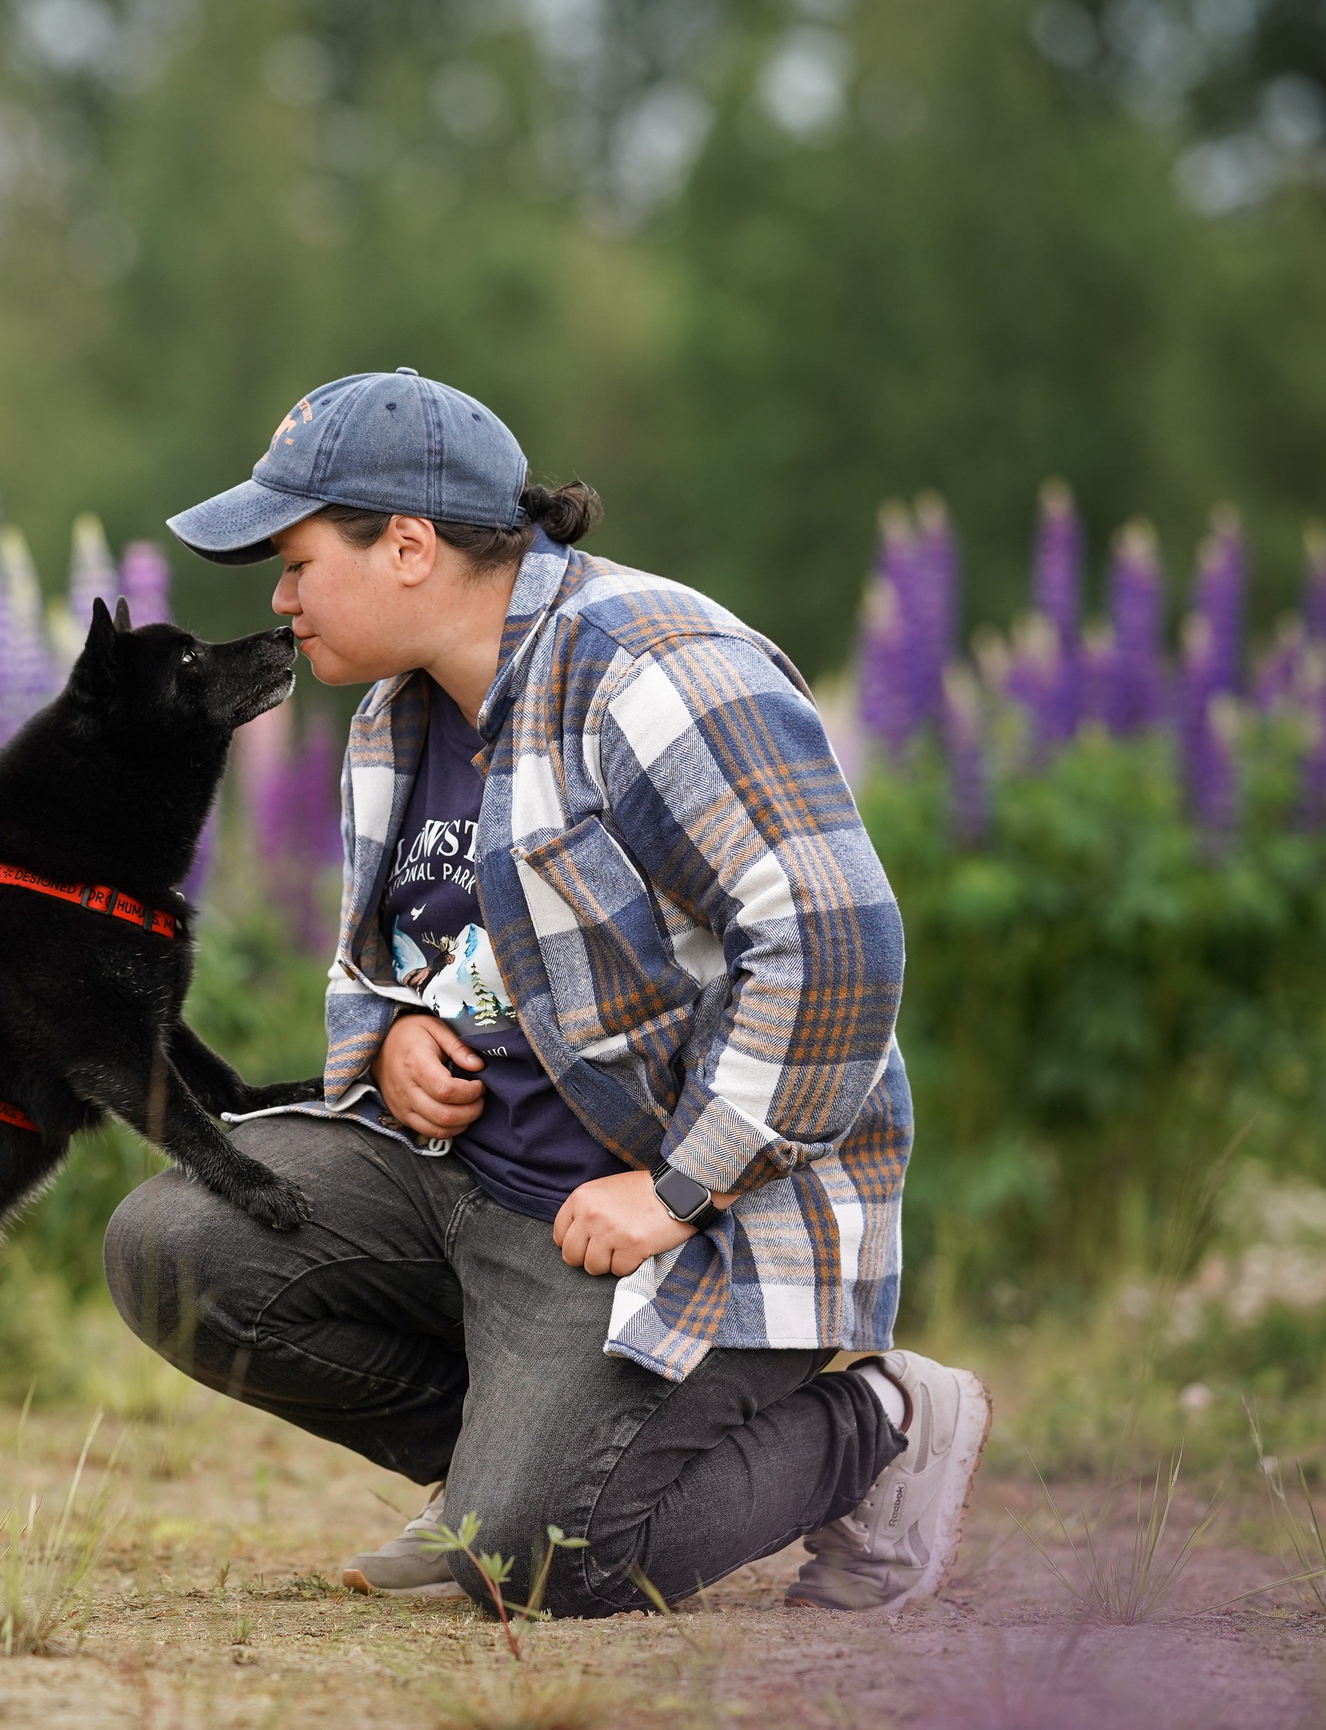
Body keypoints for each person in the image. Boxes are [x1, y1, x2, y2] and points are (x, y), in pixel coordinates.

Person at [103, 368, 990, 1616]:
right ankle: (503, 1476)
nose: (280, 598)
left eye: (296, 561)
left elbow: (837, 940)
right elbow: (428, 948)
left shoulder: (655, 671)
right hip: (484, 1189)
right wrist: (397, 1033)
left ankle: (880, 1422)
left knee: (539, 1563)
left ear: (407, 546)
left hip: (693, 1215)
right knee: (174, 1247)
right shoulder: (398, 709)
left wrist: (678, 1186)